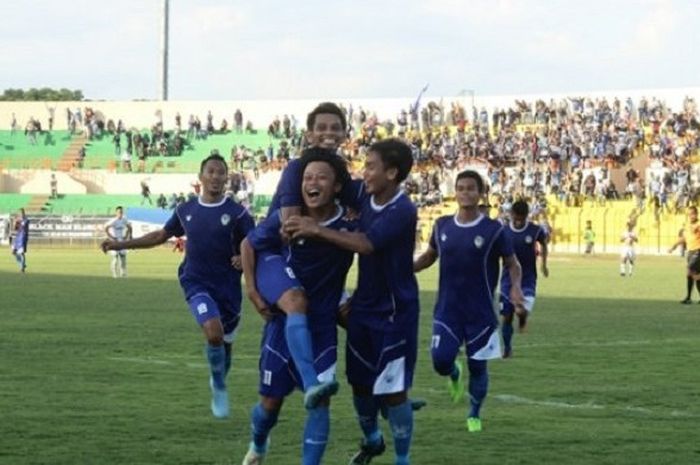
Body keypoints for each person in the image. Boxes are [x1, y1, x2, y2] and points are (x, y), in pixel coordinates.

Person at [285, 139, 419, 465]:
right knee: (359, 384)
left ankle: (403, 459)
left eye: (371, 167)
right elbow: (316, 179)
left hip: (395, 313)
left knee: (393, 391)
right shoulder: (364, 195)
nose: (365, 173)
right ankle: (373, 440)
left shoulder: (403, 209)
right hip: (362, 307)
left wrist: (315, 229)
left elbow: (366, 243)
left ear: (392, 172)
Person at [101, 154, 254, 418]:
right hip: (195, 280)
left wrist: (244, 256)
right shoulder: (186, 210)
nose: (216, 177)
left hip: (228, 287)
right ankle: (218, 385)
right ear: (201, 176)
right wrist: (120, 244)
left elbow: (255, 242)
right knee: (214, 333)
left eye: (221, 173)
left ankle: (218, 379)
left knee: (224, 342)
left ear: (227, 178)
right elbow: (161, 235)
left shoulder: (237, 213)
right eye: (211, 172)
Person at [240, 152, 354, 465]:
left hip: (322, 326)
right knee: (269, 405)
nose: (312, 183)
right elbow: (248, 244)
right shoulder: (287, 217)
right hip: (284, 324)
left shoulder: (350, 220)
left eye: (321, 177)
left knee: (320, 404)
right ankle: (259, 443)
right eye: (307, 178)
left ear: (337, 186)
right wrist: (252, 289)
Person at [413, 170, 525, 433]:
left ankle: (474, 412)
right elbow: (430, 256)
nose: (465, 192)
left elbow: (512, 264)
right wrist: (408, 270)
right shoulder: (441, 225)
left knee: (478, 367)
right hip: (447, 309)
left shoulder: (493, 229)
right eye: (460, 188)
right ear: (455, 192)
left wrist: (516, 288)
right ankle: (453, 372)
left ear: (480, 192)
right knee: (440, 361)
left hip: (480, 312)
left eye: (470, 188)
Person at [499, 200, 549, 358]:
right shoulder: (504, 231)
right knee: (507, 317)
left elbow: (544, 244)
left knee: (521, 309)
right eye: (516, 218)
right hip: (507, 279)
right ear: (511, 215)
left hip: (527, 278)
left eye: (522, 218)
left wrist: (544, 264)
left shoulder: (535, 230)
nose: (519, 221)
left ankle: (522, 317)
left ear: (527, 215)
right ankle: (507, 348)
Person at [669, 206, 700, 303]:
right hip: (690, 252)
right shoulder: (687, 225)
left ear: (696, 214)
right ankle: (689, 298)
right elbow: (684, 238)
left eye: (692, 214)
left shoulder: (699, 224)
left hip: (698, 251)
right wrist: (674, 246)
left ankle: (688, 297)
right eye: (689, 214)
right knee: (694, 275)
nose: (690, 216)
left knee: (689, 270)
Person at [104, 206, 132, 278]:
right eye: (119, 212)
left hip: (122, 241)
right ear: (116, 213)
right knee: (115, 258)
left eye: (121, 212)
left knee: (123, 258)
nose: (120, 213)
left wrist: (128, 235)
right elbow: (106, 228)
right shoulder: (114, 221)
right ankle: (115, 275)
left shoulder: (124, 219)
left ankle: (123, 274)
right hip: (114, 241)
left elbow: (130, 227)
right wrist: (111, 237)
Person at [11, 208, 29, 273]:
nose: (20, 214)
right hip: (18, 237)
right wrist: (14, 223)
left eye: (21, 213)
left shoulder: (26, 220)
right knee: (13, 252)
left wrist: (17, 220)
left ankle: (22, 269)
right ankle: (22, 264)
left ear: (24, 213)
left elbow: (23, 225)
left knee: (21, 253)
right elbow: (15, 229)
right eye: (19, 213)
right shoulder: (18, 220)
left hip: (23, 237)